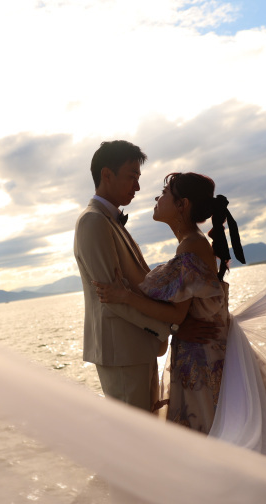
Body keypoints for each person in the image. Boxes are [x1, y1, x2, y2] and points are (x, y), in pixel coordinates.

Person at [93, 172, 244, 433]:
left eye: (164, 193)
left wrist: (124, 296)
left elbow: (176, 315)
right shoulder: (193, 243)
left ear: (182, 204)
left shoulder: (190, 247)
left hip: (200, 359)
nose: (156, 197)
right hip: (203, 351)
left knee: (202, 435)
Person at [74, 142, 217, 412]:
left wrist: (170, 328)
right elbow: (110, 297)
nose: (138, 187)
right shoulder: (93, 221)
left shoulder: (109, 220)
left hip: (138, 347)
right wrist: (174, 328)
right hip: (121, 353)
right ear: (107, 175)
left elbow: (134, 288)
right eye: (132, 177)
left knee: (149, 428)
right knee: (134, 434)